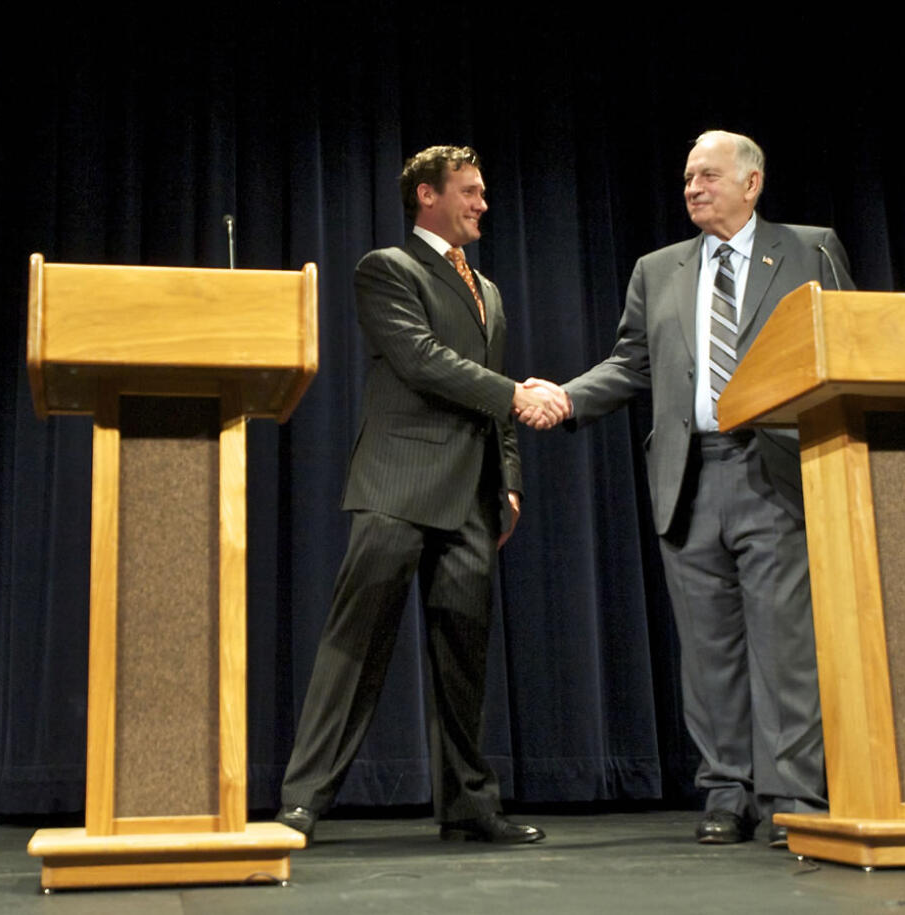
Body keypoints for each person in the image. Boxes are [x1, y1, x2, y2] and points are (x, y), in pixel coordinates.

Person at [522, 130, 854, 847]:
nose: (693, 188)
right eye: (686, 179)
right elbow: (631, 363)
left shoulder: (808, 249)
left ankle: (791, 793)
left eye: (707, 176)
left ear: (752, 183)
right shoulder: (659, 269)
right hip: (691, 473)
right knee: (709, 649)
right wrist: (568, 397)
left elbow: (849, 344)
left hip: (777, 468)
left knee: (785, 642)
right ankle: (726, 790)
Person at [276, 145, 565, 846]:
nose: (482, 203)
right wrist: (517, 395)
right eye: (470, 191)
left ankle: (468, 803)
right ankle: (302, 801)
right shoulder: (386, 269)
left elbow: (490, 399)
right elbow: (421, 359)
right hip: (398, 484)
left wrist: (511, 481)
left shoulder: (488, 289)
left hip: (471, 497)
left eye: (483, 191)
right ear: (428, 196)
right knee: (356, 646)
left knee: (463, 655)